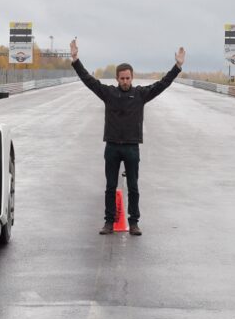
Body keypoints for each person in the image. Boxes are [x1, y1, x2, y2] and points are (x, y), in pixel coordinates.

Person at [70, 38, 185, 236]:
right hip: (112, 147)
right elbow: (88, 80)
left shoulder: (140, 95)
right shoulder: (108, 93)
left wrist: (177, 66)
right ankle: (109, 222)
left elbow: (162, 84)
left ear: (132, 78)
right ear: (117, 79)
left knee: (133, 186)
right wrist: (75, 60)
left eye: (128, 78)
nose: (125, 81)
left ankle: (134, 223)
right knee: (110, 186)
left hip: (132, 148)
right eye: (122, 78)